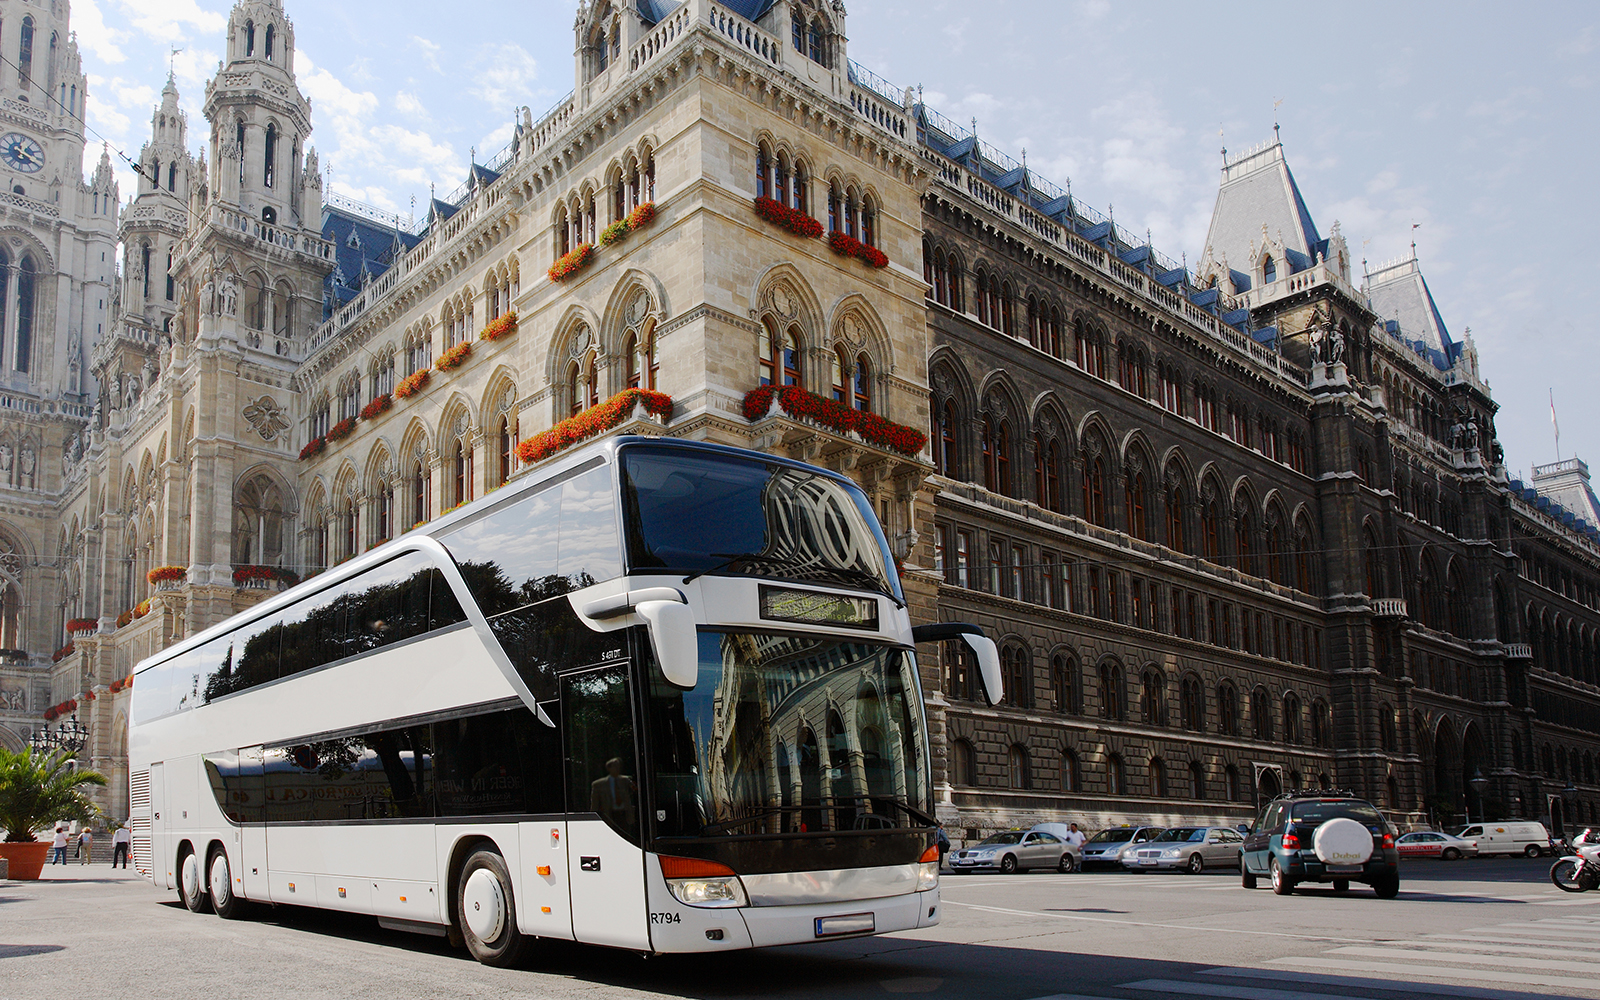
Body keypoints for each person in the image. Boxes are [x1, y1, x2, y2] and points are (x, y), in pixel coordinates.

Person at [588, 757, 637, 832]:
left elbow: (635, 791)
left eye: (618, 766)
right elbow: (595, 803)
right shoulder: (598, 784)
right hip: (609, 815)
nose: (617, 769)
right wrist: (593, 818)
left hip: (624, 814)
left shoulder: (626, 780)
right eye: (614, 766)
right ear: (609, 768)